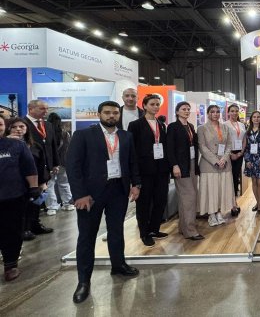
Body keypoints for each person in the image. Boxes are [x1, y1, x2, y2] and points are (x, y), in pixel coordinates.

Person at [66, 101, 141, 303]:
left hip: (118, 190)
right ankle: (83, 281)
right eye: (107, 112)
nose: (111, 116)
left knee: (116, 231)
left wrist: (136, 184)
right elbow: (73, 166)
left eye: (115, 113)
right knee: (87, 236)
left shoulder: (125, 136)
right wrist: (80, 194)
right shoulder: (83, 135)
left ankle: (118, 265)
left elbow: (132, 161)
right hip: (90, 195)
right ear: (99, 114)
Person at [128, 94, 170, 247]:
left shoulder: (161, 124)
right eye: (152, 104)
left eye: (157, 104)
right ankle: (144, 233)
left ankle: (154, 229)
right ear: (144, 106)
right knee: (144, 203)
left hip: (161, 170)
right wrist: (135, 176)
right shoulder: (135, 125)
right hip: (144, 170)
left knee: (160, 200)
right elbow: (132, 150)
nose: (156, 107)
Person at [0, 118, 39, 282]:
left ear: (4, 127)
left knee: (12, 231)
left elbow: (29, 167)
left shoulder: (16, 145)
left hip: (12, 196)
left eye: (0, 124)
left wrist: (34, 188)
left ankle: (10, 265)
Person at [166, 102, 204, 241]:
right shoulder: (173, 127)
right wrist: (174, 165)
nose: (187, 111)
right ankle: (190, 230)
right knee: (189, 197)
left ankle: (183, 227)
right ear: (177, 112)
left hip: (192, 164)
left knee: (187, 197)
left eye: (188, 109)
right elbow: (169, 148)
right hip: (181, 166)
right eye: (183, 109)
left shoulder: (191, 126)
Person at [24, 100, 59, 237]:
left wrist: (55, 163)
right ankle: (25, 227)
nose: (46, 111)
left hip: (44, 167)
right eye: (42, 108)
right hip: (29, 167)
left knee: (39, 197)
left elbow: (52, 145)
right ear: (31, 109)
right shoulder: (22, 124)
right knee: (28, 198)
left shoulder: (48, 125)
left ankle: (35, 224)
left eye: (47, 109)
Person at [198, 105, 235, 226]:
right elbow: (202, 147)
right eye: (212, 112)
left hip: (224, 164)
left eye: (218, 112)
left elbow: (229, 145)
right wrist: (215, 160)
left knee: (221, 189)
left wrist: (224, 159)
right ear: (208, 113)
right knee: (211, 190)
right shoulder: (202, 128)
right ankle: (211, 214)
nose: (215, 114)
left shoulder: (225, 127)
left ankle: (219, 212)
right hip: (209, 165)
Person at [45, 113, 75, 215]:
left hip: (50, 163)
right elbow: (69, 149)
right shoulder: (65, 134)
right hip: (63, 163)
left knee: (49, 185)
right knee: (64, 183)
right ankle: (67, 204)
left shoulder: (46, 133)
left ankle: (52, 207)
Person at [224, 104, 246, 213]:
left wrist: (241, 152)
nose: (234, 113)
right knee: (229, 179)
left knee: (236, 177)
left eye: (236, 111)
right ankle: (231, 204)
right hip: (229, 154)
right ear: (228, 112)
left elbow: (244, 139)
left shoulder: (241, 124)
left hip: (239, 154)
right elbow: (223, 141)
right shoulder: (224, 124)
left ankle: (234, 202)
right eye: (232, 111)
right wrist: (230, 154)